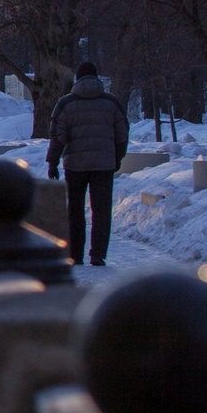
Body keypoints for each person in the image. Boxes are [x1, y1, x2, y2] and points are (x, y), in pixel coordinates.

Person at [47, 61, 128, 266]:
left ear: (78, 79)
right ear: (97, 77)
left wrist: (53, 162)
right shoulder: (111, 103)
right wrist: (117, 157)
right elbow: (122, 134)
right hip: (103, 165)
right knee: (101, 211)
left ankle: (75, 254)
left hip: (75, 165)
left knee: (74, 210)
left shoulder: (66, 103)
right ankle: (97, 254)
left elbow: (57, 136)